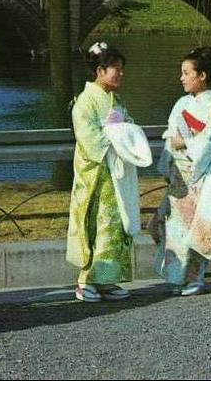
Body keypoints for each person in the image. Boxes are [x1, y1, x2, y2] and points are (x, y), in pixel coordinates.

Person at [149, 46, 211, 296]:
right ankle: (177, 278)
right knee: (174, 228)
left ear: (202, 76)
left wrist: (184, 142)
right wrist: (169, 159)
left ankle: (195, 278)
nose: (182, 77)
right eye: (182, 72)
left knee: (198, 226)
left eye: (187, 73)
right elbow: (170, 135)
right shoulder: (181, 104)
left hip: (203, 174)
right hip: (179, 176)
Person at [66, 40, 135, 303]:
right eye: (114, 68)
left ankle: (107, 279)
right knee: (94, 224)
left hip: (115, 172)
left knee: (114, 226)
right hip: (95, 174)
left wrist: (125, 134)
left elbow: (129, 126)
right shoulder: (85, 102)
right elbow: (89, 139)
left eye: (120, 68)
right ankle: (85, 281)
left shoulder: (115, 100)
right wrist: (115, 136)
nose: (119, 73)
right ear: (100, 70)